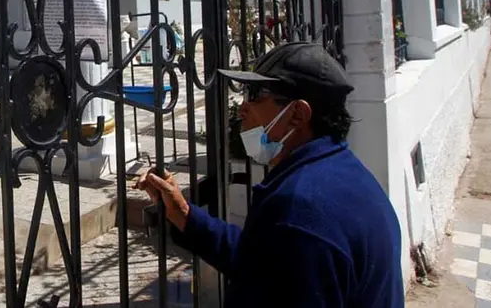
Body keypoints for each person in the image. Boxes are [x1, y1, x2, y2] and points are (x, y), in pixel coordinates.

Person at [137, 41, 404, 307]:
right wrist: (183, 214)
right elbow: (260, 262)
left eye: (256, 95)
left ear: (297, 114)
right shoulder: (345, 172)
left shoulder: (299, 210)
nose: (243, 108)